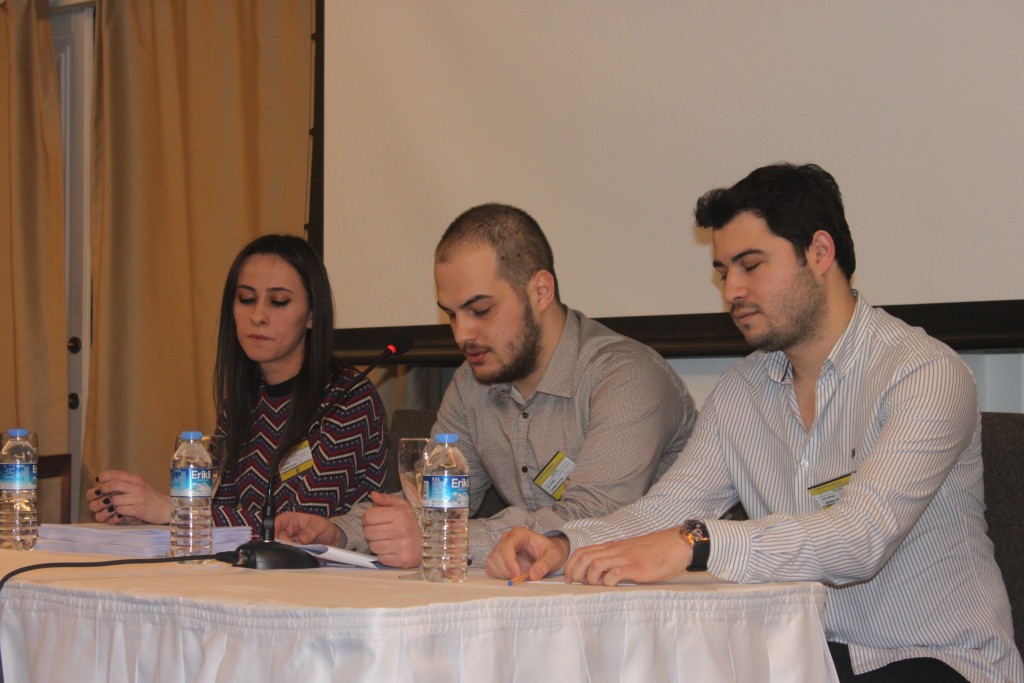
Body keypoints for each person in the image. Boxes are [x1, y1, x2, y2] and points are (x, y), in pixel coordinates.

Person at [487, 165, 1023, 682]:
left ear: (819, 253)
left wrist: (698, 543)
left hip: (934, 659)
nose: (731, 292)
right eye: (724, 272)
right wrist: (564, 542)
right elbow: (664, 512)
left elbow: (861, 538)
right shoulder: (741, 392)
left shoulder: (924, 373)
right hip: (803, 657)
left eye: (750, 265)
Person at [276, 203, 698, 568]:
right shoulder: (472, 383)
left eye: (479, 310)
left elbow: (593, 518)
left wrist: (445, 539)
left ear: (540, 291)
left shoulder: (627, 378)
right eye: (451, 315)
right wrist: (341, 532)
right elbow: (429, 498)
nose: (462, 334)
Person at [86, 234, 390, 537]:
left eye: (278, 302)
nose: (257, 316)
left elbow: (298, 524)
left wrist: (172, 510)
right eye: (246, 299)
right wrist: (144, 514)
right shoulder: (244, 400)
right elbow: (219, 508)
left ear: (312, 315)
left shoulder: (349, 397)